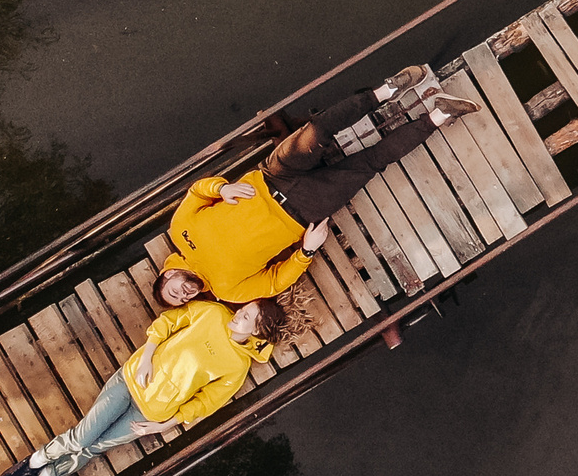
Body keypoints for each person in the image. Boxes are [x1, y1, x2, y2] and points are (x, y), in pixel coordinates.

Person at [158, 66, 477, 302]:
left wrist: (221, 189)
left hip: (272, 176)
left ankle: (387, 91)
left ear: (168, 275)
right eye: (183, 300)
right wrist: (306, 252)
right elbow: (274, 283)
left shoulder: (180, 229)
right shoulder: (228, 290)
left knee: (320, 127)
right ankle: (439, 114)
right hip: (302, 211)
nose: (184, 293)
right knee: (371, 163)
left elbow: (196, 191)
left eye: (175, 292)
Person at [0, 295, 292, 476]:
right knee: (84, 436)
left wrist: (166, 425)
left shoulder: (238, 366)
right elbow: (168, 321)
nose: (237, 313)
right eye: (243, 308)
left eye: (246, 316)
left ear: (257, 331)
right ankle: (31, 463)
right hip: (132, 380)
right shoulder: (212, 313)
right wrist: (147, 356)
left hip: (151, 412)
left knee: (94, 447)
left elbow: (207, 401)